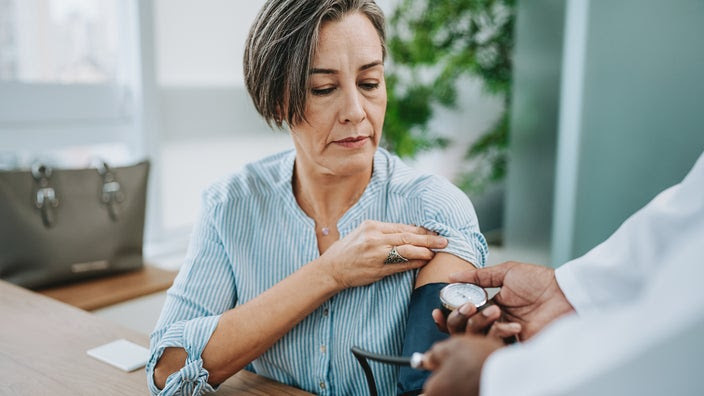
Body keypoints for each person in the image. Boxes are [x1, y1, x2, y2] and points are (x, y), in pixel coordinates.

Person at [146, 1, 488, 395]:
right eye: (323, 89)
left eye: (370, 83)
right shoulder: (231, 205)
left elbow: (430, 383)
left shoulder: (433, 209)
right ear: (277, 100)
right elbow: (167, 373)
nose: (356, 112)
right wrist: (330, 272)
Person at [421, 150, 704, 396]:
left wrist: (500, 379)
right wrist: (570, 291)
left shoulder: (437, 203)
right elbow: (684, 217)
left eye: (373, 85)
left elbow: (682, 341)